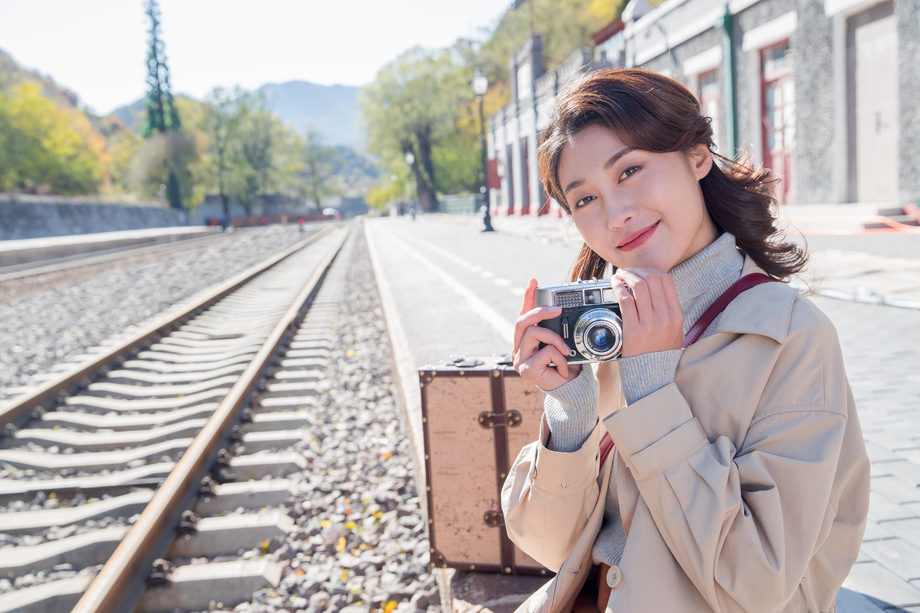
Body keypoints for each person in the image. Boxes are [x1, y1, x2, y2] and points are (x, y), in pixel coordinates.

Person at [504, 68, 870, 613]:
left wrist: (652, 394)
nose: (615, 215)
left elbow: (755, 581)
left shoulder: (791, 337)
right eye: (584, 200)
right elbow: (552, 548)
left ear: (697, 155)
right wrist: (571, 412)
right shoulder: (608, 332)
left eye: (629, 170)